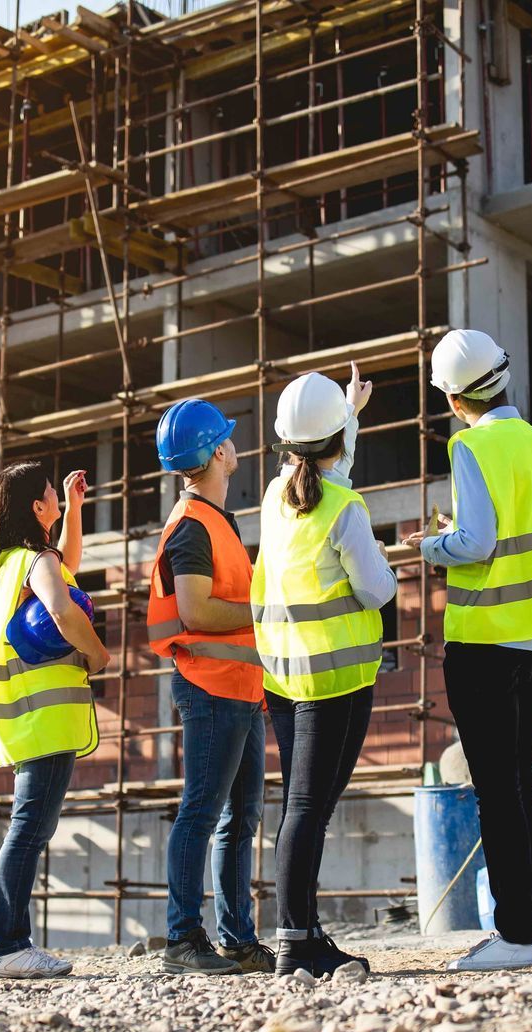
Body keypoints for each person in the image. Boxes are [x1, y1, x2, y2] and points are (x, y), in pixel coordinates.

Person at [407, 329, 532, 970]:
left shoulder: (471, 445)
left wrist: (431, 545)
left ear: (452, 398)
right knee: (522, 789)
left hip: (486, 641)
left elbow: (477, 543)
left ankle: (515, 934)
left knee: (497, 792)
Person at [253, 364, 394, 978]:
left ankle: (301, 934)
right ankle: (296, 942)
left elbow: (323, 467)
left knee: (302, 806)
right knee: (310, 807)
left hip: (284, 676)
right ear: (334, 440)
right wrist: (386, 560)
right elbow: (377, 591)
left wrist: (349, 416)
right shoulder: (346, 507)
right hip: (335, 679)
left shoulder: (274, 497)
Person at [147, 399, 273, 975]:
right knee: (201, 811)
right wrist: (265, 608)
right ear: (219, 452)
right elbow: (196, 610)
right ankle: (182, 939)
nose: (234, 445)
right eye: (228, 438)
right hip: (210, 686)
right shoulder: (193, 527)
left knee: (240, 818)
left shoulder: (216, 520)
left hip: (241, 686)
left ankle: (237, 938)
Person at [0, 461, 108, 979]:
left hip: (24, 716)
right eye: (53, 493)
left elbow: (64, 569)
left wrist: (75, 511)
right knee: (29, 829)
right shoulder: (35, 559)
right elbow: (61, 608)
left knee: (29, 827)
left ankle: (7, 942)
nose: (57, 494)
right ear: (37, 507)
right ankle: (7, 945)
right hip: (45, 717)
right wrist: (97, 653)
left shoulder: (15, 560)